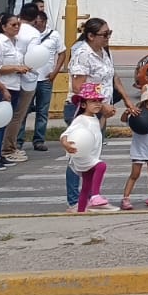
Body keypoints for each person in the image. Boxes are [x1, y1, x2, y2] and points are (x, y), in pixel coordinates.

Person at [0, 13, 31, 171]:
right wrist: (15, 68)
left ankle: (0, 154)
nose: (17, 27)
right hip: (2, 86)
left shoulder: (17, 43)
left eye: (18, 24)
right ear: (3, 26)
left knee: (5, 121)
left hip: (15, 85)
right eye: (13, 25)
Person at [14, 4, 59, 153]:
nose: (38, 25)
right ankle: (18, 141)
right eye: (37, 21)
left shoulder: (53, 35)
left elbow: (62, 52)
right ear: (34, 20)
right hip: (27, 78)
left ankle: (39, 140)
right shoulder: (29, 33)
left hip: (44, 79)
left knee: (42, 111)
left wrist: (54, 72)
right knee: (22, 112)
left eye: (41, 22)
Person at [62, 83, 113, 212]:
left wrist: (104, 118)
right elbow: (65, 134)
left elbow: (97, 130)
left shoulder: (94, 118)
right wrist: (66, 144)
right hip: (83, 156)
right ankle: (95, 196)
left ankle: (80, 209)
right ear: (84, 104)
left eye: (99, 101)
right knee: (101, 166)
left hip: (90, 155)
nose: (97, 104)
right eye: (93, 101)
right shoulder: (81, 119)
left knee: (86, 185)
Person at [121, 87, 148, 210]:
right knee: (135, 174)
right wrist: (126, 112)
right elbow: (124, 120)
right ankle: (126, 198)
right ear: (144, 105)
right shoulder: (138, 116)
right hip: (139, 151)